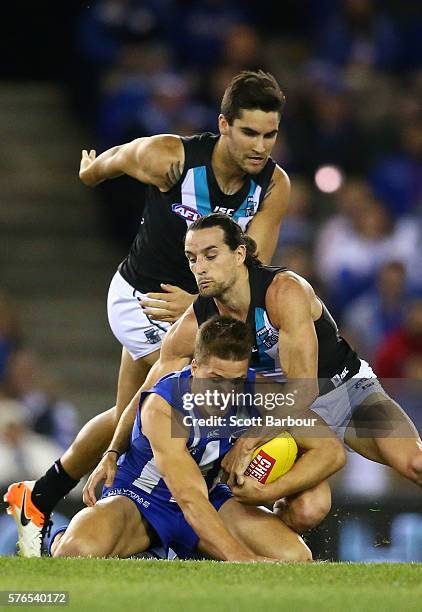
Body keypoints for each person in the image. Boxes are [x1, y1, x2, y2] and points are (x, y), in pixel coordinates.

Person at [4, 70, 291, 556]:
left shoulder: (272, 186)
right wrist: (91, 173)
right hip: (141, 300)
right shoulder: (172, 158)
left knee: (126, 412)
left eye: (270, 135)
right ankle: (162, 507)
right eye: (249, 132)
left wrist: (200, 309)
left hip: (195, 310)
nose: (260, 146)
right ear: (223, 125)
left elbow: (251, 268)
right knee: (193, 380)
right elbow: (118, 158)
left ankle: (39, 496)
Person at [87, 213, 422, 535]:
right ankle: (263, 554)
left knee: (415, 463)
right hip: (280, 414)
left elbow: (304, 390)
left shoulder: (282, 292)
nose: (199, 267)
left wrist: (247, 442)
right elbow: (149, 393)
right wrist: (113, 452)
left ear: (239, 254)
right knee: (309, 508)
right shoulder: (197, 322)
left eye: (210, 255)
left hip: (344, 391)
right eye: (192, 258)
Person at [50, 317, 312, 562]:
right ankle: (54, 535)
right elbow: (187, 495)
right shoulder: (164, 405)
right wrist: (242, 559)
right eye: (216, 379)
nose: (225, 392)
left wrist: (269, 490)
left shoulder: (257, 391)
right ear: (195, 369)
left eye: (236, 381)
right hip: (143, 499)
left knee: (295, 557)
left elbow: (330, 450)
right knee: (76, 550)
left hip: (210, 498)